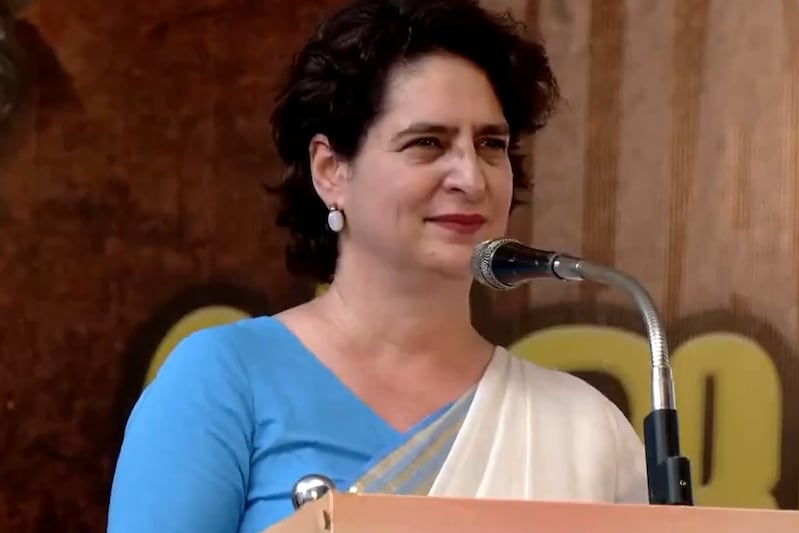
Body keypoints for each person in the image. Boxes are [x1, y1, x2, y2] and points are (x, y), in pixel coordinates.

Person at [107, 1, 648, 532]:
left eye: (490, 145)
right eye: (428, 143)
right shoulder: (223, 380)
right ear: (330, 170)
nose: (471, 178)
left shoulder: (583, 428)